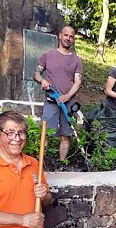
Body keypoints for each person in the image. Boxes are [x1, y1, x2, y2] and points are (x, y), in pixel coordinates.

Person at [32, 25, 83, 162]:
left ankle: (61, 164)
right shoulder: (48, 55)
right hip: (51, 101)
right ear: (60, 36)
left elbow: (77, 82)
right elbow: (36, 73)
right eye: (66, 35)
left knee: (66, 135)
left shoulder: (76, 60)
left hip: (69, 103)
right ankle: (40, 163)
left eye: (71, 36)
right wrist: (42, 80)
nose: (68, 38)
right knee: (45, 133)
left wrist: (67, 96)